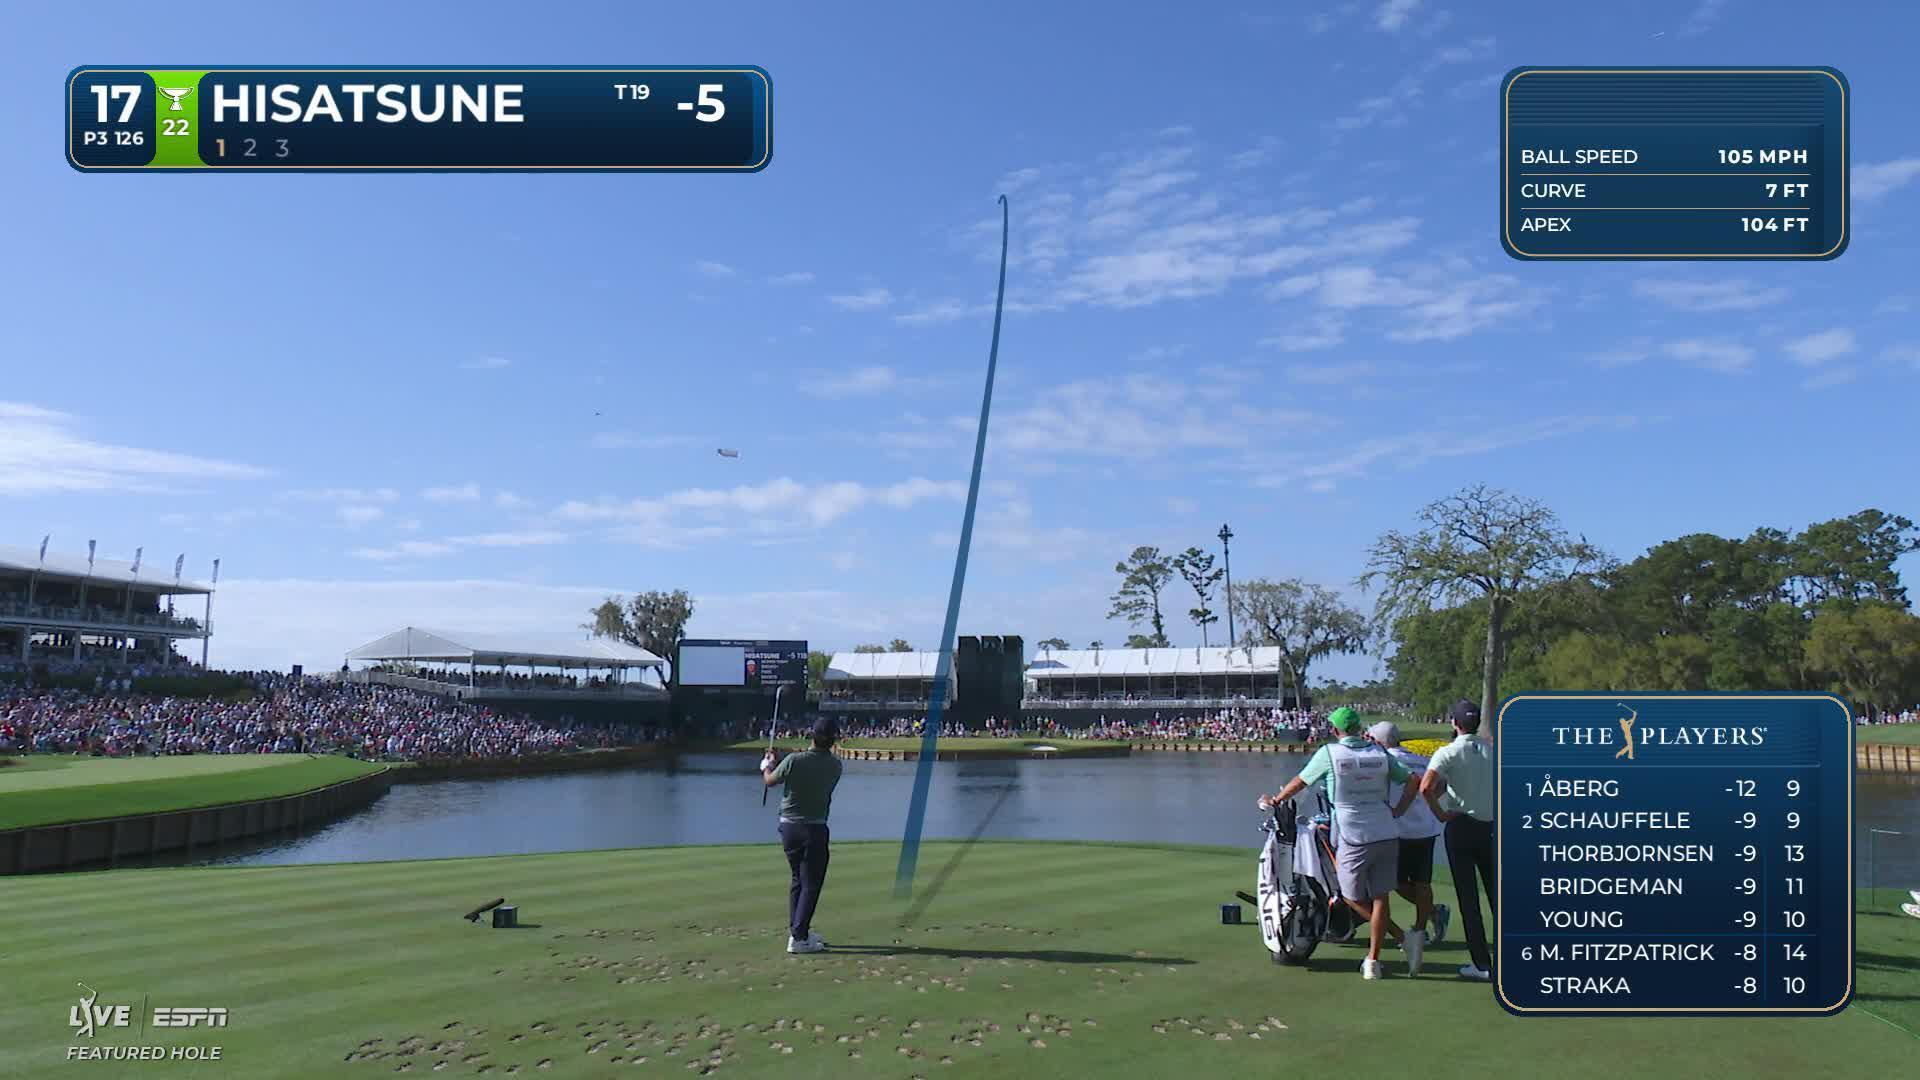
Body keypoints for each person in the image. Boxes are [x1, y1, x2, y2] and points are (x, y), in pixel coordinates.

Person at [1257, 706, 1419, 979]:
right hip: (1386, 831)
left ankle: (1400, 938)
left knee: (1350, 895)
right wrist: (1399, 810)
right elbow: (1413, 780)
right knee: (1380, 897)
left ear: (1335, 730)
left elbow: (1300, 782)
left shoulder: (1329, 753)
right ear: (1358, 728)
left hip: (1352, 836)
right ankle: (1374, 960)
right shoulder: (1379, 752)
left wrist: (1276, 800)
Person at [1420, 699, 1496, 982]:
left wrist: (1440, 814)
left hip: (1461, 827)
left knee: (1469, 899)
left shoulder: (1448, 752)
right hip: (1490, 827)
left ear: (1454, 722)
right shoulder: (1492, 750)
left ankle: (1482, 965)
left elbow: (1426, 788)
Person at [762, 717, 844, 955]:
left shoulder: (793, 761)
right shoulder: (835, 766)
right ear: (833, 740)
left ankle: (799, 932)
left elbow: (770, 781)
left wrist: (766, 764)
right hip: (815, 828)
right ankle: (798, 937)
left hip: (788, 828)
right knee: (811, 883)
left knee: (799, 879)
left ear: (812, 735)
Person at [1369, 720, 1451, 954]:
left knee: (1395, 883)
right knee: (1421, 882)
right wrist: (1428, 803)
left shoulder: (1383, 763)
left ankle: (1429, 918)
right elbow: (1442, 783)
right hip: (1426, 828)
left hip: (1397, 830)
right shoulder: (1423, 760)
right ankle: (1423, 924)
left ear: (1377, 741)